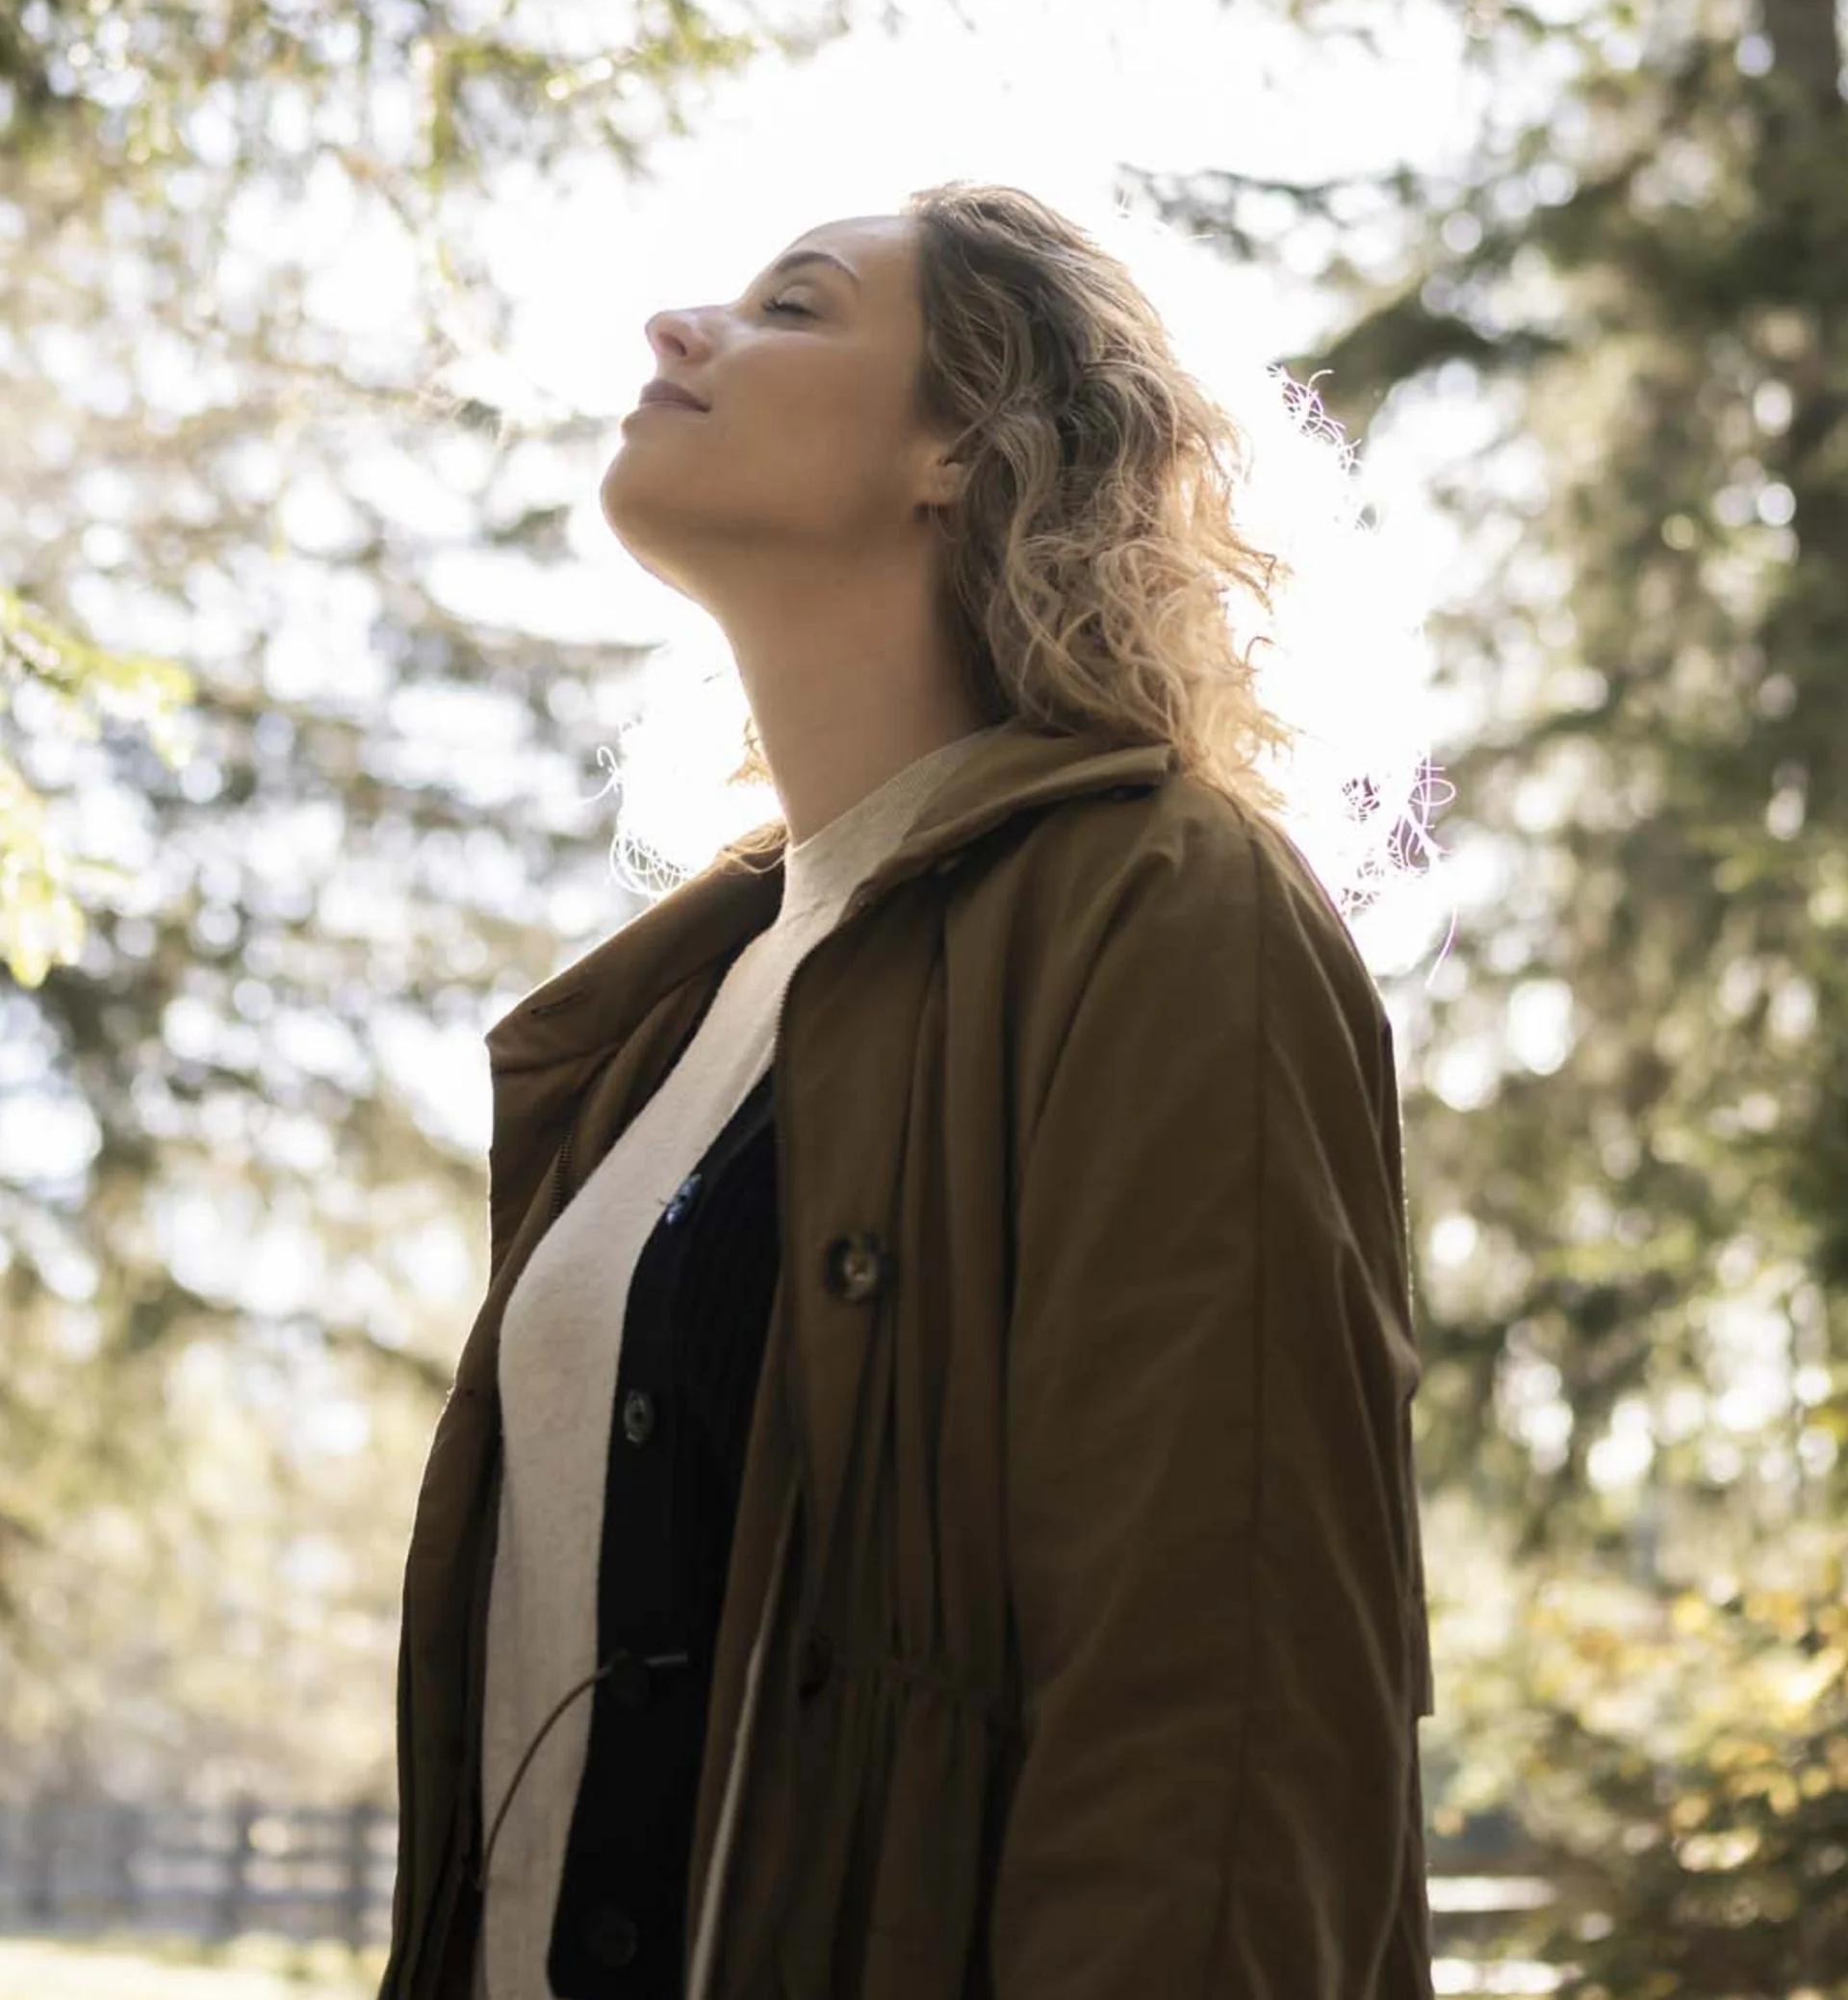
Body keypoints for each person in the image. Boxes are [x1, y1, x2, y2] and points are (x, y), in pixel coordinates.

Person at [377, 183, 1436, 2000]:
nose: (676, 331)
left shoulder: (1168, 909)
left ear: (964, 440)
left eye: (792, 306)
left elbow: (1222, 1706)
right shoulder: (665, 1018)